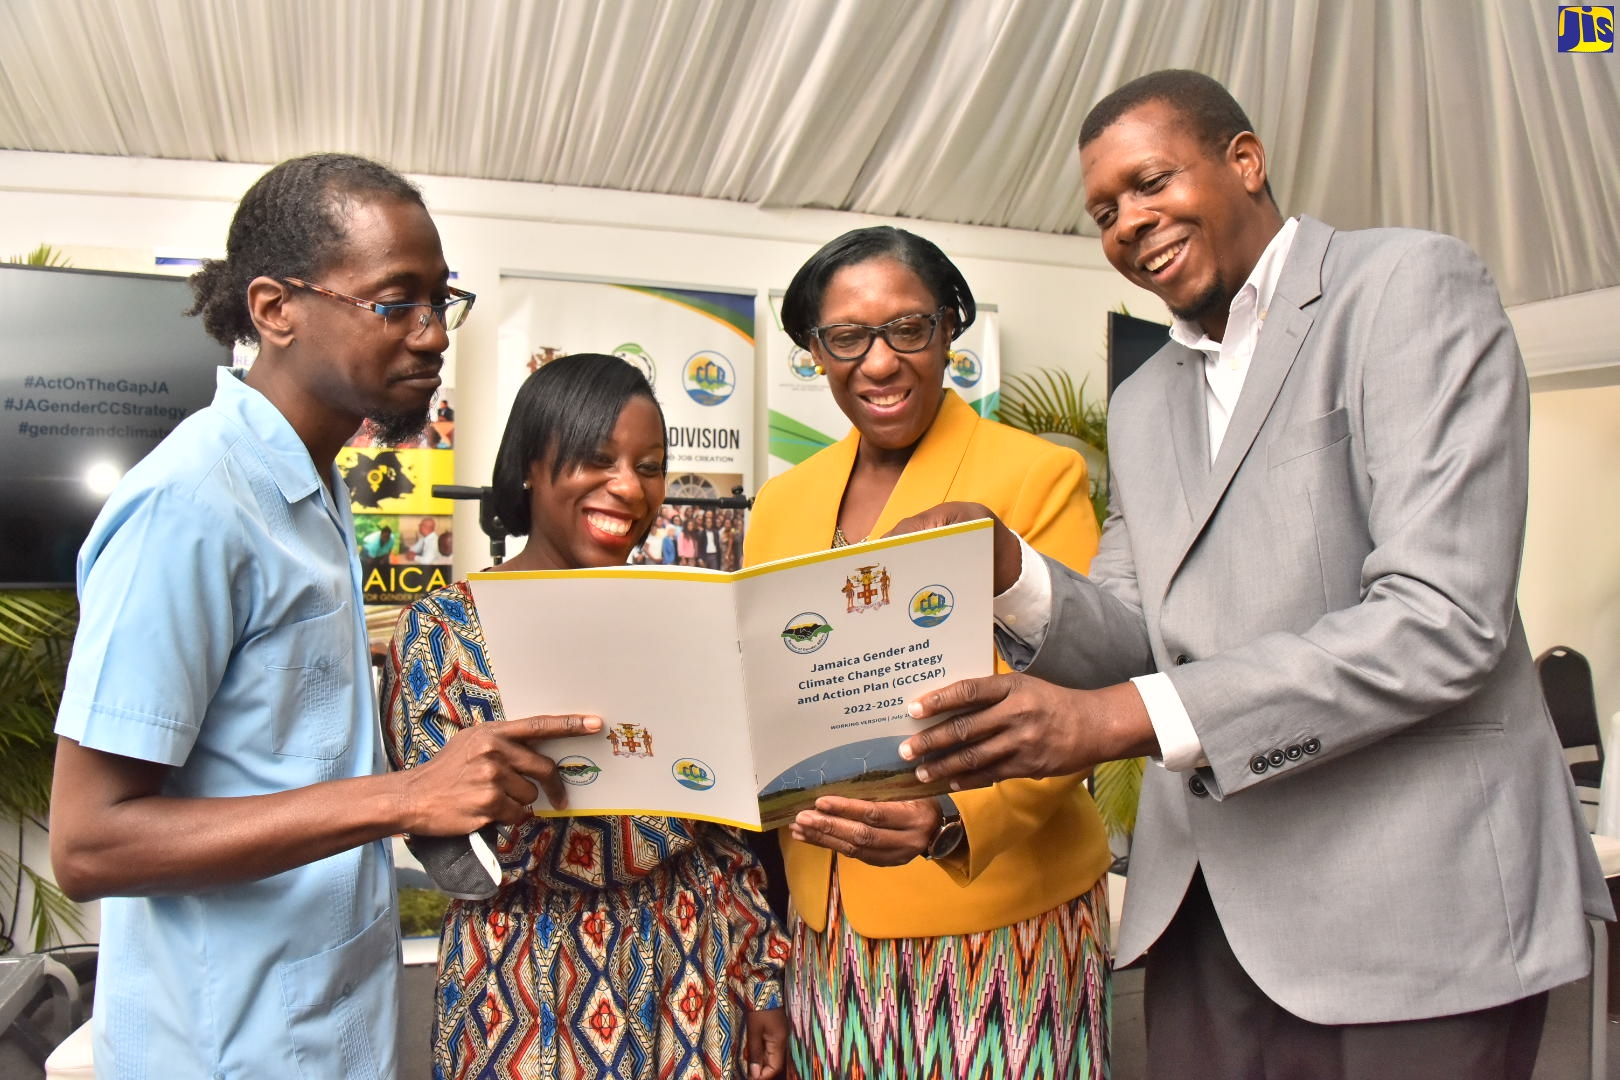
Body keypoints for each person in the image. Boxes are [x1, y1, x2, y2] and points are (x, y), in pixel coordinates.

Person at [897, 70, 1612, 1080]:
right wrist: (1010, 572)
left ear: (1245, 160)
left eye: (1150, 183)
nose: (1129, 223)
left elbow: (1441, 618)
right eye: (1104, 212)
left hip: (1414, 917)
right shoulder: (1146, 400)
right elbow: (1144, 631)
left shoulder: (1407, 286)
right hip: (1207, 923)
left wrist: (1117, 721)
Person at [48, 153, 591, 1079]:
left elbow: (275, 764)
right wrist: (403, 795)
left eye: (440, 301)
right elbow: (91, 842)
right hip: (225, 1051)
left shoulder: (307, 489)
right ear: (275, 308)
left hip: (324, 1034)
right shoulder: (193, 505)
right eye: (395, 302)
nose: (432, 335)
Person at [744, 225, 1113, 1079]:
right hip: (826, 919)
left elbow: (1079, 696)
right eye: (847, 338)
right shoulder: (781, 504)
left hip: (998, 913)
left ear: (950, 330)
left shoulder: (1034, 477)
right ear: (814, 352)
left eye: (908, 329)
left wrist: (950, 821)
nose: (879, 363)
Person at [382, 354, 789, 1080]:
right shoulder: (442, 630)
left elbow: (725, 838)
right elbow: (448, 850)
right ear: (531, 465)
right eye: (597, 460)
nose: (630, 488)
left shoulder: (683, 620)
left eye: (651, 466)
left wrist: (760, 979)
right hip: (522, 978)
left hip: (688, 967)